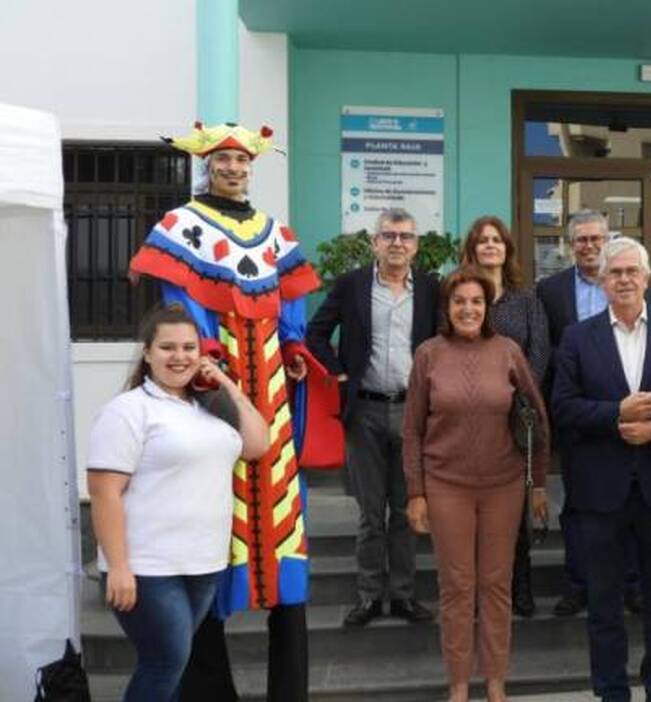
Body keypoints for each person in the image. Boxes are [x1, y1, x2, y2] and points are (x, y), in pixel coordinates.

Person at [128, 122, 333, 702]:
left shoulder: (274, 233)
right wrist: (206, 358)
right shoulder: (183, 225)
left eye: (242, 161)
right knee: (210, 516)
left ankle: (289, 691)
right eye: (223, 160)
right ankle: (207, 690)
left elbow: (291, 306)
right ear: (208, 165)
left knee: (282, 515)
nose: (233, 168)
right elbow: (181, 307)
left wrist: (292, 348)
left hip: (273, 396)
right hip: (211, 387)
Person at [552, 237, 651, 702]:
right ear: (602, 281)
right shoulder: (578, 337)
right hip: (600, 493)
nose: (624, 280)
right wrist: (616, 414)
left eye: (631, 271)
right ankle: (612, 691)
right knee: (603, 605)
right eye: (615, 273)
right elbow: (563, 407)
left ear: (647, 277)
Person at [87, 305, 268, 701]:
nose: (179, 356)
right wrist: (119, 567)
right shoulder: (128, 410)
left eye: (189, 347)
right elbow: (104, 493)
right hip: (148, 566)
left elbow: (257, 444)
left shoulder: (209, 406)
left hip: (204, 562)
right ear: (148, 353)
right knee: (165, 661)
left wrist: (226, 383)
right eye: (167, 347)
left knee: (173, 664)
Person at [402, 266, 551, 702]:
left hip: (503, 485)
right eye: (459, 301)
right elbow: (412, 430)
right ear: (447, 307)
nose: (468, 309)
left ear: (487, 308)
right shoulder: (428, 354)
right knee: (457, 587)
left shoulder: (508, 351)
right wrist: (416, 492)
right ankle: (459, 685)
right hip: (446, 485)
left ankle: (496, 682)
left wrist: (538, 484)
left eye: (476, 302)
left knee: (496, 584)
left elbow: (538, 420)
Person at [306, 207, 440, 627]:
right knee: (369, 514)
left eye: (405, 236)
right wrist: (338, 374)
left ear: (416, 245)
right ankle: (368, 596)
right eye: (389, 235)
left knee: (404, 509)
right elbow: (315, 333)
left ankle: (402, 596)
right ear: (374, 242)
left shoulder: (432, 289)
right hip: (363, 411)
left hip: (413, 412)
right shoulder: (352, 285)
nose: (397, 243)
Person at [536, 209, 643, 618]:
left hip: (629, 414)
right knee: (578, 506)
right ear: (569, 245)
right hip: (579, 415)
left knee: (631, 500)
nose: (589, 246)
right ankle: (578, 585)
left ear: (607, 240)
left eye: (596, 238)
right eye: (581, 239)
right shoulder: (550, 291)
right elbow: (545, 353)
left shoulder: (628, 282)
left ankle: (631, 584)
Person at [460, 215, 551, 618]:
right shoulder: (461, 297)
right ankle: (481, 592)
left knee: (514, 506)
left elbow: (540, 353)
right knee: (475, 510)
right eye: (482, 240)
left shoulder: (526, 300)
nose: (490, 246)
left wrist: (516, 395)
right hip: (469, 418)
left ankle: (521, 584)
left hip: (517, 416)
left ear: (506, 249)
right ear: (472, 249)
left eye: (496, 240)